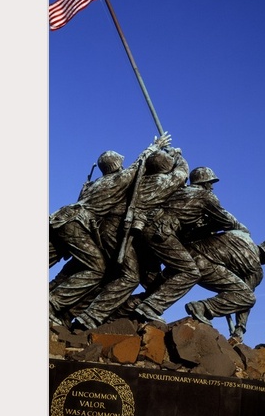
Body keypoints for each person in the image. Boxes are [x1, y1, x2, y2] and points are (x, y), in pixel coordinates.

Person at [48, 133, 171, 325]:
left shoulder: (95, 183)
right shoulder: (118, 179)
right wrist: (155, 147)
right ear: (117, 165)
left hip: (62, 218)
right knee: (97, 268)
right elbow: (138, 165)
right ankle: (52, 303)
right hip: (75, 223)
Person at [70, 144, 189, 329]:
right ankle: (92, 315)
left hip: (115, 229)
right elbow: (182, 173)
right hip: (119, 230)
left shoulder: (136, 180)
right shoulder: (161, 182)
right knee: (130, 277)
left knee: (117, 275)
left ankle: (88, 313)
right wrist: (178, 156)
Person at [130, 166, 249, 322]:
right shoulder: (206, 196)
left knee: (157, 282)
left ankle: (126, 308)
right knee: (191, 272)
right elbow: (226, 220)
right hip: (161, 232)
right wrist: (239, 229)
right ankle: (150, 307)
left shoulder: (181, 192)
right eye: (210, 183)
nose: (212, 187)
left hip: (146, 228)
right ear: (204, 182)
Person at [184, 233, 265, 343]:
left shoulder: (242, 237)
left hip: (188, 254)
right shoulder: (256, 269)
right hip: (206, 267)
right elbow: (245, 297)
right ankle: (202, 307)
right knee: (249, 298)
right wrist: (240, 328)